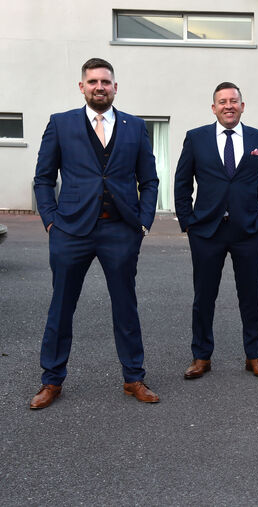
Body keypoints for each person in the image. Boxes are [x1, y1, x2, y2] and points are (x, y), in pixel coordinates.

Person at [31, 57, 160, 408]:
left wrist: (143, 222)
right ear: (82, 87)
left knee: (126, 306)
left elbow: (149, 180)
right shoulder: (60, 124)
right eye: (93, 82)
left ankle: (134, 377)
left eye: (105, 82)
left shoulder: (135, 126)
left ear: (115, 87)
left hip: (120, 230)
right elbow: (43, 178)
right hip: (70, 230)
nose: (99, 87)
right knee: (61, 307)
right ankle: (51, 381)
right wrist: (51, 220)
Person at [174, 82, 258, 380]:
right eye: (222, 101)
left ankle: (254, 355)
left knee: (250, 296)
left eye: (234, 101)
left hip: (248, 232)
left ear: (242, 106)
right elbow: (182, 183)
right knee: (203, 297)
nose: (228, 106)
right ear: (214, 108)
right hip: (206, 232)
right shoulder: (196, 138)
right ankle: (201, 357)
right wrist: (188, 222)